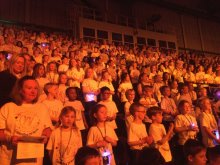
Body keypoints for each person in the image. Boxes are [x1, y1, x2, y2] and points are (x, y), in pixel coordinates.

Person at [0, 75, 52, 164]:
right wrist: (9, 138)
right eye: (29, 88)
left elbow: (47, 129)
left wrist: (45, 136)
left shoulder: (42, 107)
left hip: (34, 159)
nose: (33, 91)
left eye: (35, 88)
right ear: (20, 90)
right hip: (10, 159)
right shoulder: (8, 107)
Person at [174, 100, 199, 165]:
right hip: (184, 142)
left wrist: (196, 129)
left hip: (193, 140)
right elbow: (176, 129)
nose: (188, 108)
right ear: (180, 108)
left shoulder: (192, 117)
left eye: (189, 106)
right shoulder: (179, 117)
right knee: (185, 159)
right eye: (185, 106)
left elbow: (197, 129)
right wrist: (188, 128)